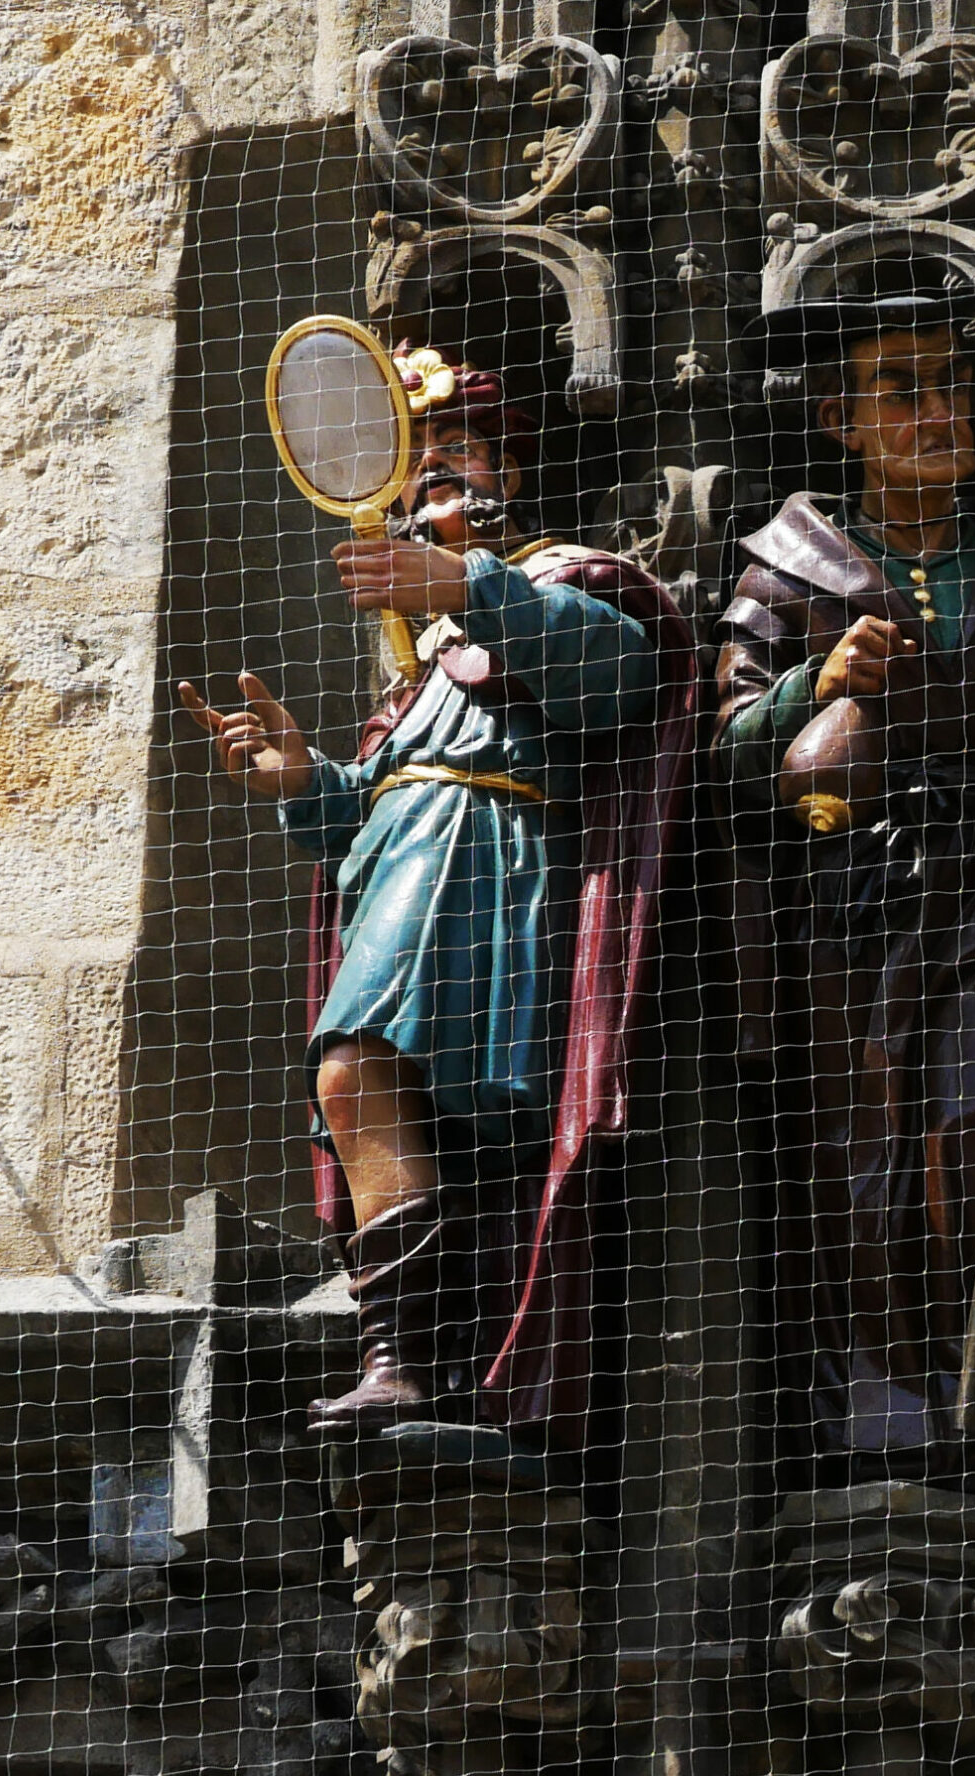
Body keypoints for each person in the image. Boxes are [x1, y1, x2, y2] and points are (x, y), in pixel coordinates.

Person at [181, 347, 695, 1443]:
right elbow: (369, 800)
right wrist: (303, 782)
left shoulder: (570, 579)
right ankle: (400, 1356)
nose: (429, 484)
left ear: (513, 472)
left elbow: (619, 680)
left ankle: (424, 1353)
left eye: (454, 457)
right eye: (418, 468)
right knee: (357, 1084)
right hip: (405, 870)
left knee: (382, 1082)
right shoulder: (420, 665)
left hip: (492, 874)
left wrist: (469, 586)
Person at [713, 270, 975, 1493]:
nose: (938, 410)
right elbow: (728, 748)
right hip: (847, 900)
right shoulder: (787, 571)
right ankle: (882, 1385)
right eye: (901, 389)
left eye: (952, 381)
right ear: (840, 422)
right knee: (863, 1148)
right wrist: (817, 685)